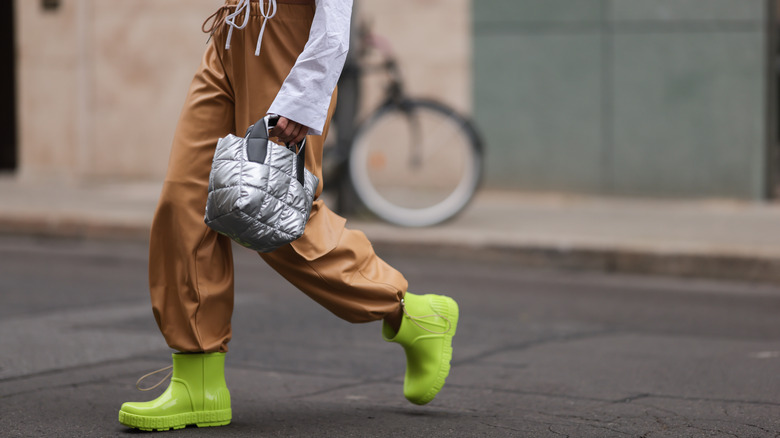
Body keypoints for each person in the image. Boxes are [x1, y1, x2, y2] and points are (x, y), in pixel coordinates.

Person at [117, 0, 459, 431]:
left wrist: (306, 93)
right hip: (234, 31)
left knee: (275, 215)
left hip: (289, 40)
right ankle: (196, 384)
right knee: (184, 202)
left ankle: (410, 312)